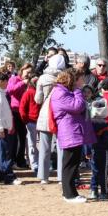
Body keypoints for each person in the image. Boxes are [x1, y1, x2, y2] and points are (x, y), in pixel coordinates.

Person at [50, 69, 95, 203]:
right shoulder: (60, 93)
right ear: (73, 80)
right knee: (69, 164)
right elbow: (78, 106)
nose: (83, 81)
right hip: (69, 131)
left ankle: (72, 192)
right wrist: (77, 90)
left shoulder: (64, 92)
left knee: (73, 163)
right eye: (80, 79)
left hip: (73, 130)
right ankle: (69, 194)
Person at [35, 54, 65, 183]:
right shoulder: (65, 78)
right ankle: (61, 176)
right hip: (61, 114)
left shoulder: (42, 78)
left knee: (44, 147)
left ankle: (43, 176)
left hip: (45, 113)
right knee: (61, 147)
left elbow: (38, 99)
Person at [7, 62, 32, 168]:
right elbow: (10, 90)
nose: (29, 75)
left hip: (24, 112)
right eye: (28, 72)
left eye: (31, 73)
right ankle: (13, 160)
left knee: (23, 136)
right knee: (15, 138)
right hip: (14, 110)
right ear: (22, 70)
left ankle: (20, 160)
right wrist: (22, 83)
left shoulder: (29, 82)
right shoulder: (15, 79)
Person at [19, 73, 41, 176]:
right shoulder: (28, 93)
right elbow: (22, 108)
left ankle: (40, 163)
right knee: (32, 144)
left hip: (40, 122)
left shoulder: (41, 94)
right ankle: (34, 164)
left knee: (40, 145)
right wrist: (26, 120)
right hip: (31, 122)